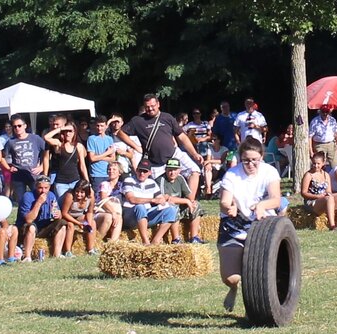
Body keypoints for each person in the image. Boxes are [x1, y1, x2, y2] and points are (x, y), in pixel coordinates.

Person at [217, 137, 280, 312]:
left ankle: (258, 304)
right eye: (246, 160)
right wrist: (230, 207)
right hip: (234, 225)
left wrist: (262, 205)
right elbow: (224, 201)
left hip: (261, 225)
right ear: (240, 158)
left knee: (260, 274)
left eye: (255, 160)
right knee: (231, 278)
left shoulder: (269, 172)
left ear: (261, 157)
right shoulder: (232, 174)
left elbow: (276, 199)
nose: (251, 164)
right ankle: (233, 289)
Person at [116, 94, 203, 200]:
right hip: (154, 161)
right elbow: (120, 133)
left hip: (173, 154)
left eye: (153, 105)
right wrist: (136, 146)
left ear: (158, 104)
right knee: (158, 192)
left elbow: (182, 137)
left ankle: (190, 203)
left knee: (194, 171)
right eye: (147, 107)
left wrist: (194, 154)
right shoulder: (138, 121)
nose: (150, 109)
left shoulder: (167, 117)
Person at [121, 158, 178, 246]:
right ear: (136, 170)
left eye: (145, 171)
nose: (142, 173)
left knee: (172, 210)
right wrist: (152, 200)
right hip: (130, 214)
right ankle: (145, 241)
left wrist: (164, 200)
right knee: (140, 207)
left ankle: (156, 240)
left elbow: (160, 198)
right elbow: (131, 199)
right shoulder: (129, 180)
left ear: (150, 173)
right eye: (140, 170)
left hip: (146, 214)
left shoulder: (152, 183)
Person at [301, 151, 337, 231]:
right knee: (329, 198)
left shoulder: (326, 175)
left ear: (323, 163)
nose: (316, 166)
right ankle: (332, 225)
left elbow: (329, 191)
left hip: (324, 199)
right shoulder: (308, 175)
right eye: (314, 163)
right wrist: (317, 196)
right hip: (312, 201)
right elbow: (303, 193)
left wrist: (327, 194)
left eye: (318, 163)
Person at [16, 174, 67, 261]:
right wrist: (38, 203)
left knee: (62, 224)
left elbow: (58, 214)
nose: (43, 191)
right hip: (27, 228)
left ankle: (57, 254)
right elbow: (29, 220)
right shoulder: (28, 196)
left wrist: (58, 214)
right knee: (31, 227)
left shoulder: (51, 195)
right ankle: (27, 256)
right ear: (35, 186)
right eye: (40, 188)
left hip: (43, 226)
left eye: (46, 188)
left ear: (49, 187)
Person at [156, 158, 205, 244]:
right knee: (173, 207)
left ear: (179, 170)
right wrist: (186, 201)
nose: (172, 172)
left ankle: (194, 237)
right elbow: (166, 198)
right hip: (165, 210)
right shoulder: (160, 180)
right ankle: (176, 239)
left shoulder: (180, 178)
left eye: (175, 170)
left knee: (196, 205)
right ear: (165, 169)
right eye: (170, 170)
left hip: (180, 206)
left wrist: (191, 201)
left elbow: (190, 196)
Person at [0, 114, 46, 203]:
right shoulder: (10, 142)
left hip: (33, 174)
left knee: (38, 198)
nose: (17, 128)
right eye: (15, 126)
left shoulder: (35, 138)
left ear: (25, 126)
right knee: (21, 201)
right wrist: (9, 168)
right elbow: (1, 157)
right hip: (18, 175)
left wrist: (41, 166)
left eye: (19, 126)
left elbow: (47, 152)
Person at [44, 122, 89, 201]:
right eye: (66, 131)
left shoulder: (78, 146)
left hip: (75, 180)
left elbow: (82, 165)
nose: (68, 133)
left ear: (74, 132)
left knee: (75, 204)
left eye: (70, 131)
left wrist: (87, 181)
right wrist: (61, 128)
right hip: (61, 182)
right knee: (61, 204)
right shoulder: (59, 144)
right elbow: (46, 137)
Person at [61, 179, 100, 256]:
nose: (79, 194)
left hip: (79, 216)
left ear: (86, 192)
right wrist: (78, 223)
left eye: (82, 192)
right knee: (71, 226)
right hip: (68, 216)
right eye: (77, 191)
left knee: (92, 222)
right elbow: (64, 213)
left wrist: (88, 224)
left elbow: (90, 212)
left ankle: (90, 249)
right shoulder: (70, 196)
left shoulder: (90, 198)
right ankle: (67, 251)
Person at [95, 161, 124, 242]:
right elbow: (103, 200)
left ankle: (113, 241)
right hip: (100, 211)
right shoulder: (104, 184)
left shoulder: (121, 186)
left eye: (114, 169)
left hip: (113, 211)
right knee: (108, 217)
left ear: (119, 172)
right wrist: (113, 212)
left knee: (119, 218)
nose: (111, 171)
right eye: (109, 169)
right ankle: (97, 242)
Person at [87, 115, 116, 192]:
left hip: (108, 173)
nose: (99, 128)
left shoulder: (109, 139)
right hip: (96, 174)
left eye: (102, 126)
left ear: (106, 126)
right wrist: (107, 153)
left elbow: (113, 158)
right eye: (97, 126)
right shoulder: (91, 139)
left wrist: (98, 157)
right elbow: (92, 158)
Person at [42, 113, 67, 182]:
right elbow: (46, 158)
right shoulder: (51, 138)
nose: (55, 127)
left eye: (57, 124)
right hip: (55, 170)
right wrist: (45, 175)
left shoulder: (69, 136)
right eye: (53, 124)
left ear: (64, 125)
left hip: (69, 170)